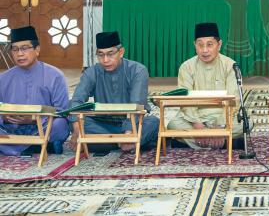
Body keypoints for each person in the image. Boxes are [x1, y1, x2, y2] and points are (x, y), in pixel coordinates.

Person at [68, 32, 159, 152]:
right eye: (100, 55)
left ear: (121, 52)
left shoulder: (137, 70)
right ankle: (125, 143)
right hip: (102, 123)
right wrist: (77, 130)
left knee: (153, 122)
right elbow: (76, 101)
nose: (105, 60)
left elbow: (137, 104)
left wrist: (128, 133)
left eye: (110, 54)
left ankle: (102, 142)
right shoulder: (92, 72)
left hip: (132, 123)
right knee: (73, 118)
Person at [167, 22, 243, 149]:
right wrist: (197, 125)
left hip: (223, 118)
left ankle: (192, 142)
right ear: (195, 45)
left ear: (219, 45)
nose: (205, 50)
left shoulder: (230, 66)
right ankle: (225, 143)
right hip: (195, 118)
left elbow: (234, 99)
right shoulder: (186, 67)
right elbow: (185, 100)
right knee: (173, 125)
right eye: (200, 45)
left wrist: (220, 126)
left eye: (210, 44)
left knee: (246, 124)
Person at [0, 26, 70, 156]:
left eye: (24, 48)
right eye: (15, 49)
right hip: (12, 129)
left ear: (37, 50)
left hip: (43, 127)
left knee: (61, 124)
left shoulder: (55, 76)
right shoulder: (3, 78)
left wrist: (33, 119)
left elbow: (62, 111)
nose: (19, 54)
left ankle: (13, 147)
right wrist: (5, 117)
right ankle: (38, 146)